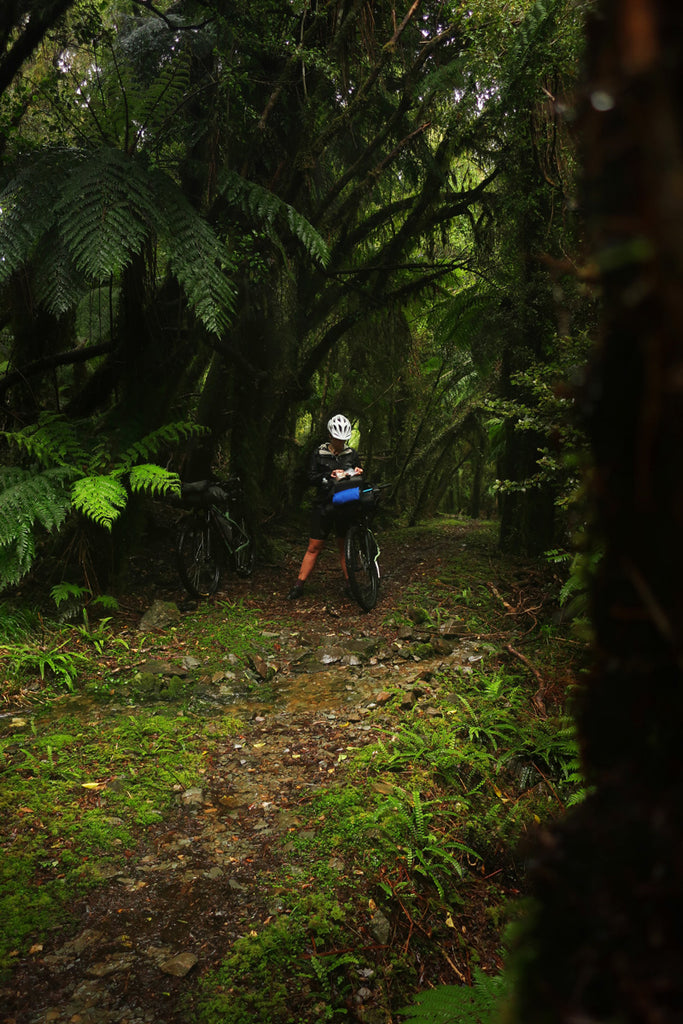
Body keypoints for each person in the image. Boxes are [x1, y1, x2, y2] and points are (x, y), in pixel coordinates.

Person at [288, 414, 363, 599]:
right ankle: (299, 585)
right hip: (323, 505)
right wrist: (330, 474)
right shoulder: (319, 453)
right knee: (314, 546)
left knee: (343, 545)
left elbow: (358, 478)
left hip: (345, 504)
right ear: (330, 436)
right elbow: (311, 477)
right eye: (337, 439)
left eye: (343, 440)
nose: (340, 443)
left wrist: (357, 472)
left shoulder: (352, 454)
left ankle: (349, 583)